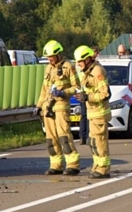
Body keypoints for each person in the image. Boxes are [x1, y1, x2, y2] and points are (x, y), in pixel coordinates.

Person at [36, 40, 81, 176]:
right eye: (47, 57)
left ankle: (73, 165)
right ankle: (56, 165)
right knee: (51, 139)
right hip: (48, 108)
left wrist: (63, 93)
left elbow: (77, 87)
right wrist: (39, 106)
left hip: (61, 107)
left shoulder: (68, 67)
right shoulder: (48, 68)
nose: (49, 59)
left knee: (64, 137)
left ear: (58, 54)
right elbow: (44, 90)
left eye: (51, 56)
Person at [74, 45, 111, 179]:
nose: (78, 64)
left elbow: (105, 94)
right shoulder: (88, 72)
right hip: (93, 114)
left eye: (80, 61)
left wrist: (88, 97)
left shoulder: (97, 72)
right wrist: (83, 95)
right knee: (94, 143)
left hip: (99, 114)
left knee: (100, 143)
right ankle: (97, 166)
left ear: (88, 59)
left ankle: (103, 169)